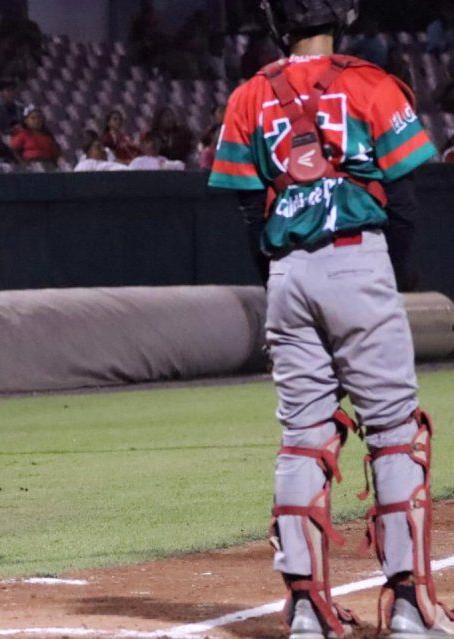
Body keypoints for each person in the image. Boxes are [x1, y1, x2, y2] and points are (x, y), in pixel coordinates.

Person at [208, 2, 451, 638]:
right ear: (341, 13)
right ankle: (409, 609)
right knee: (397, 434)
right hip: (358, 262)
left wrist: (279, 282)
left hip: (286, 272)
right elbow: (403, 200)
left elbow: (244, 214)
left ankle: (309, 616)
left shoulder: (246, 96)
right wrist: (386, 278)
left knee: (303, 439)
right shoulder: (370, 82)